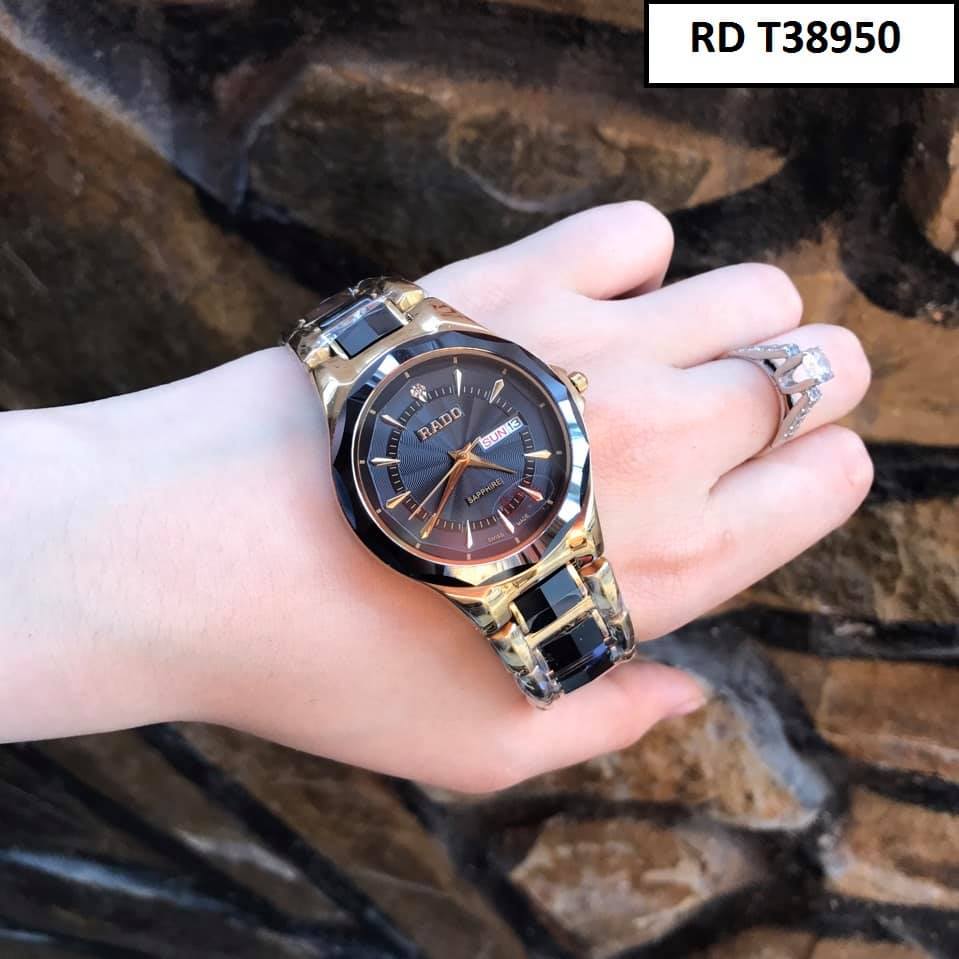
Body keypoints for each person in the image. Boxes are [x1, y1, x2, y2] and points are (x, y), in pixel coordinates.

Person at [0, 202, 872, 793]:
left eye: (469, 447)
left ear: (563, 391)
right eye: (451, 455)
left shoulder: (539, 412)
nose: (460, 454)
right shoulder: (397, 500)